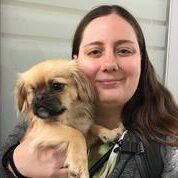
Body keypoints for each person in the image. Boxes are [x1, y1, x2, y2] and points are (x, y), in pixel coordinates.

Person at [1, 5, 178, 178]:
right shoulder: (35, 122)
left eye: (124, 50)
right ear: (76, 62)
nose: (109, 64)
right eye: (95, 51)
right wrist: (15, 165)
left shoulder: (168, 143)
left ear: (142, 60)